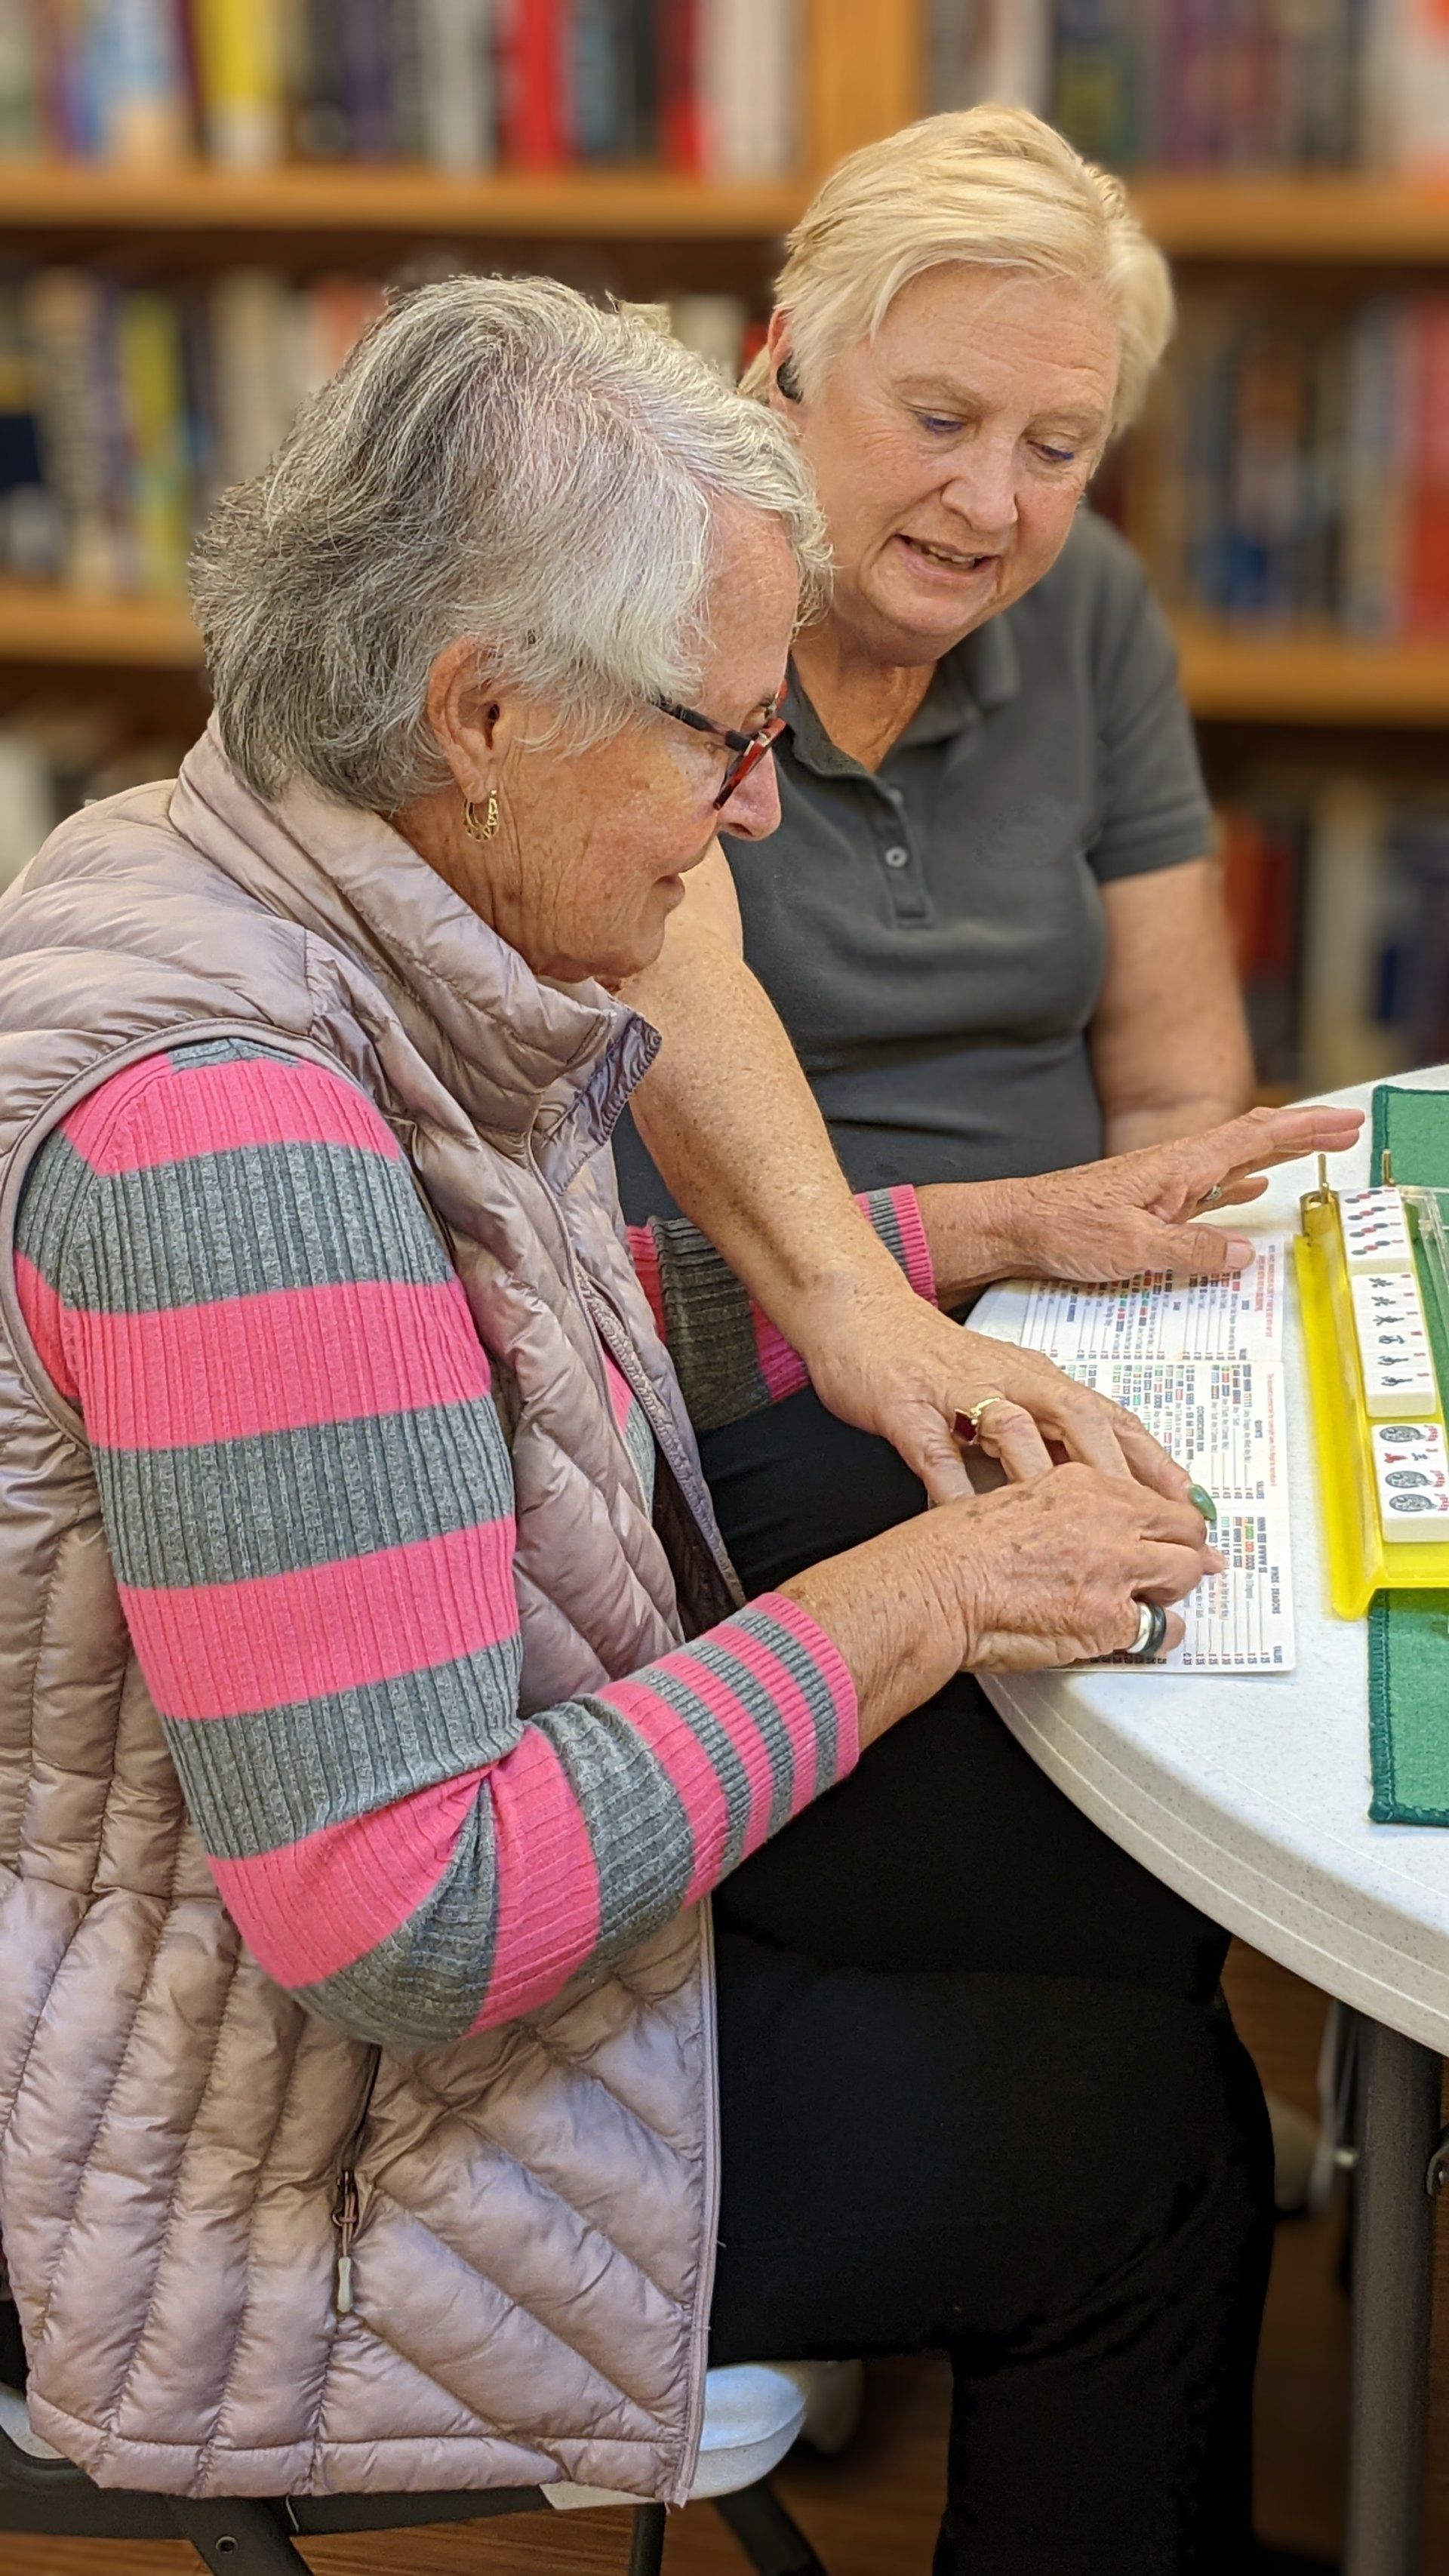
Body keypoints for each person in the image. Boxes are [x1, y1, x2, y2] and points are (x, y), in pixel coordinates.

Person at [0, 279, 1348, 2571]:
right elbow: (405, 1919)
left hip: (353, 1909)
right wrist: (918, 1594)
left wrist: (1001, 1226)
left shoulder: (277, 860)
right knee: (1143, 2160)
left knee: (1111, 1902)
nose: (746, 821)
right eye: (724, 744)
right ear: (489, 709)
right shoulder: (234, 1144)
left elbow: (500, 1337)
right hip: (270, 2113)